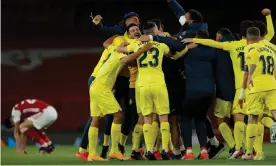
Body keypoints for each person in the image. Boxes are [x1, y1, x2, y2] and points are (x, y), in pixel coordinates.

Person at [183, 8, 274, 159]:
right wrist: (269, 16)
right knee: (258, 118)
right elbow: (270, 33)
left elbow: (214, 44)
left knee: (241, 117)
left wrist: (195, 40)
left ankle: (238, 147)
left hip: (243, 86)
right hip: (266, 85)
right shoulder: (265, 44)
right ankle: (257, 151)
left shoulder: (233, 45)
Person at [87, 35, 153, 161]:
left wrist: (116, 35)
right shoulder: (118, 53)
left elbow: (106, 42)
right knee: (118, 116)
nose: (124, 46)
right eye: (123, 44)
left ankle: (92, 154)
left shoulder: (113, 49)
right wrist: (142, 50)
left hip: (95, 85)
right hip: (102, 87)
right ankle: (114, 151)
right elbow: (126, 59)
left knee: (95, 119)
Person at [240, 27, 276, 160]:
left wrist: (249, 78)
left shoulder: (249, 48)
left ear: (247, 38)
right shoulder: (270, 50)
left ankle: (249, 153)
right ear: (260, 36)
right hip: (272, 86)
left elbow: (250, 66)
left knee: (253, 118)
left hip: (256, 86)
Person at [180, 30, 215, 160]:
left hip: (192, 90)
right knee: (200, 119)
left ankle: (189, 151)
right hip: (209, 91)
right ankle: (204, 150)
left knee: (186, 118)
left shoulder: (188, 49)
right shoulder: (212, 51)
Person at [213, 28, 236, 158]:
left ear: (220, 36)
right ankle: (251, 147)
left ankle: (233, 146)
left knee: (220, 118)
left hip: (224, 89)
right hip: (240, 89)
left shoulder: (219, 49)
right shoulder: (240, 46)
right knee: (240, 119)